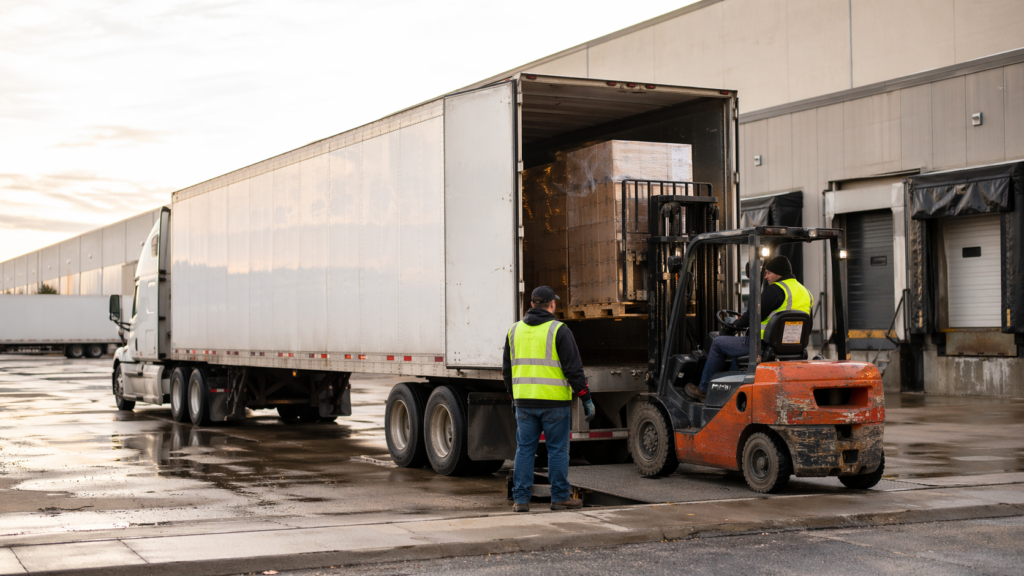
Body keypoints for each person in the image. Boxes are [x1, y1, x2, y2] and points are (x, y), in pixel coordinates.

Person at [503, 286, 595, 513]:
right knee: (557, 451)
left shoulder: (514, 331)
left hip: (524, 403)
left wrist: (513, 396)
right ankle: (560, 498)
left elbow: (507, 371)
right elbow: (574, 370)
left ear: (531, 305)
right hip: (554, 405)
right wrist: (586, 398)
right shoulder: (559, 330)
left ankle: (521, 500)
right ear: (552, 304)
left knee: (525, 450)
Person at [684, 256, 812, 402]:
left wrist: (736, 324)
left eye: (769, 272)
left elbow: (752, 315)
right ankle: (730, 392)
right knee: (735, 352)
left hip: (762, 346)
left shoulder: (775, 290)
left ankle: (704, 390)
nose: (766, 276)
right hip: (793, 350)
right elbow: (808, 326)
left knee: (718, 343)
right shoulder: (806, 292)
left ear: (778, 273)